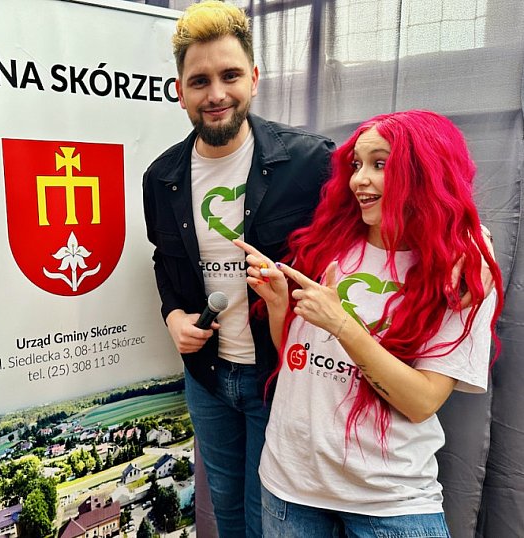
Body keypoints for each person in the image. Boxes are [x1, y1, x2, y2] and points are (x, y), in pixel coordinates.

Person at [237, 109, 502, 536]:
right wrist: (279, 307)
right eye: (357, 164)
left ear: (426, 173)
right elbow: (297, 360)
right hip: (290, 488)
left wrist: (343, 326)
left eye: (380, 164)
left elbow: (422, 402)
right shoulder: (327, 244)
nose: (360, 179)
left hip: (389, 501)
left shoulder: (460, 275)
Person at [142, 1, 334, 536]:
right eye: (199, 81)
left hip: (281, 376)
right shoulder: (161, 177)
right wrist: (172, 316)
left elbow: (368, 227)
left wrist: (458, 243)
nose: (216, 94)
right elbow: (163, 259)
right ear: (179, 91)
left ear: (254, 77)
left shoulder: (311, 162)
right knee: (226, 511)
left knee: (270, 519)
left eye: (229, 76)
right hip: (206, 377)